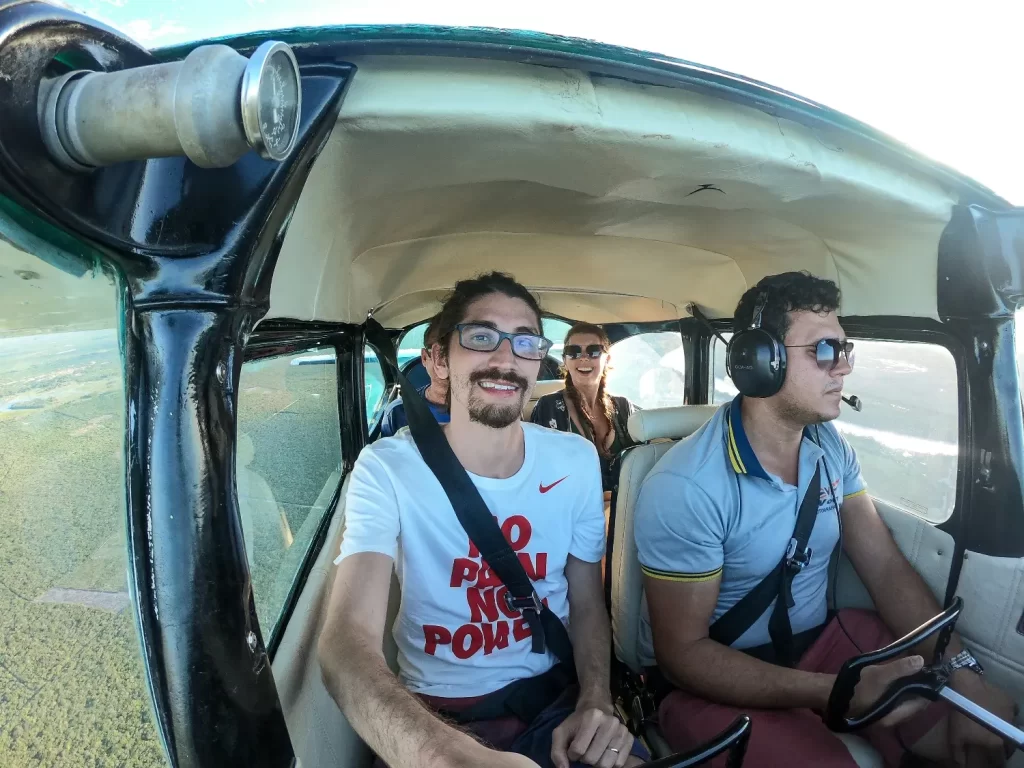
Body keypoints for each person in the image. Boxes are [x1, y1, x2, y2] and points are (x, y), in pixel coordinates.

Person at [635, 271, 1016, 767]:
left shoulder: (830, 449)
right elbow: (682, 654)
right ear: (758, 362)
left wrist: (964, 674)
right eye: (823, 351)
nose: (843, 368)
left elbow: (883, 566)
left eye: (845, 349)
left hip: (822, 648)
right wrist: (833, 692)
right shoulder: (686, 487)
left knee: (980, 731)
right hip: (713, 681)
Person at [319, 272, 647, 768]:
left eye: (525, 343)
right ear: (440, 358)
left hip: (557, 701)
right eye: (480, 337)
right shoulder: (387, 469)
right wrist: (444, 755)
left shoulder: (575, 460)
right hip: (436, 716)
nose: (505, 359)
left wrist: (596, 699)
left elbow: (585, 602)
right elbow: (345, 644)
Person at [529, 323, 638, 493]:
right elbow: (541, 473)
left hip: (624, 509)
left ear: (607, 359)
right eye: (574, 352)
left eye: (593, 351)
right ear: (565, 361)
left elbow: (639, 466)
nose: (584, 358)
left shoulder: (624, 407)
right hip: (572, 510)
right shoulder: (548, 407)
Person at [380, 315, 449, 437]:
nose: (445, 362)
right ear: (424, 357)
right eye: (440, 352)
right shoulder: (399, 411)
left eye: (456, 351)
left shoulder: (486, 411)